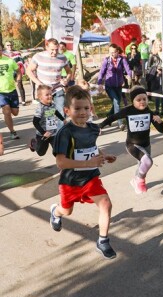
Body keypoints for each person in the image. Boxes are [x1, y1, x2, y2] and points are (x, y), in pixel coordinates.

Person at [50, 85, 118, 259]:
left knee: (106, 203)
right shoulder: (64, 133)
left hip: (90, 178)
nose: (83, 112)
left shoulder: (93, 129)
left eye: (86, 108)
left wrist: (103, 155)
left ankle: (103, 241)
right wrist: (88, 162)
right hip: (70, 181)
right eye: (77, 108)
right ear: (67, 110)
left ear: (91, 109)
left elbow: (91, 147)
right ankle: (55, 212)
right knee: (66, 211)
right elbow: (61, 162)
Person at [98, 86, 163, 194]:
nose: (142, 102)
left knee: (143, 165)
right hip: (132, 144)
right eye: (139, 100)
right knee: (147, 161)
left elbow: (161, 130)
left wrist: (160, 122)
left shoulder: (149, 112)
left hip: (146, 144)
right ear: (133, 101)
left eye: (144, 99)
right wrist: (100, 125)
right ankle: (139, 181)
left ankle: (136, 180)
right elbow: (113, 117)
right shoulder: (128, 111)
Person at [26, 38, 71, 129]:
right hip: (44, 90)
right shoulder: (38, 56)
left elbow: (69, 72)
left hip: (57, 88)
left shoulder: (62, 57)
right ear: (46, 47)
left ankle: (59, 135)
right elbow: (29, 71)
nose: (54, 52)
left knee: (61, 112)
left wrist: (66, 80)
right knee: (49, 113)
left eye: (56, 49)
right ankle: (50, 134)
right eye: (52, 50)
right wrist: (38, 83)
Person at [97, 43, 132, 131]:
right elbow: (101, 72)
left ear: (117, 52)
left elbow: (127, 69)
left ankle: (109, 117)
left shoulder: (122, 59)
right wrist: (99, 83)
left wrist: (129, 76)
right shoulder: (107, 60)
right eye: (110, 52)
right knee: (116, 102)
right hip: (109, 86)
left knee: (116, 103)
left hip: (119, 86)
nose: (112, 54)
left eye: (114, 52)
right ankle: (120, 123)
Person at [29, 85, 66, 156]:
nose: (50, 96)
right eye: (47, 95)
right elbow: (35, 122)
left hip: (53, 132)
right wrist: (43, 133)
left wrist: (63, 119)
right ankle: (34, 144)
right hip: (42, 134)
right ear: (40, 97)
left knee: (57, 151)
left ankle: (62, 163)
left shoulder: (52, 104)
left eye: (50, 94)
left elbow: (55, 112)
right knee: (41, 153)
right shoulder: (40, 108)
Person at [0, 43, 22, 140]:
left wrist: (18, 80)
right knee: (7, 111)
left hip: (12, 90)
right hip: (1, 92)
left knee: (15, 112)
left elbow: (18, 71)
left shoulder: (9, 60)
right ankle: (12, 131)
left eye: (0, 50)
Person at [2, 41, 26, 106]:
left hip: (17, 71)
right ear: (5, 46)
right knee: (9, 87)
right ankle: (8, 101)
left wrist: (22, 70)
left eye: (11, 45)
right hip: (8, 73)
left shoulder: (17, 53)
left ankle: (23, 101)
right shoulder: (2, 53)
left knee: (20, 85)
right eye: (8, 45)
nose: (10, 46)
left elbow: (21, 62)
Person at [146, 41, 163, 116]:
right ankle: (157, 110)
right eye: (157, 45)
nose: (159, 46)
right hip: (155, 77)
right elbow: (148, 68)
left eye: (160, 45)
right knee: (157, 93)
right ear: (155, 46)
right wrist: (156, 69)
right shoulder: (152, 56)